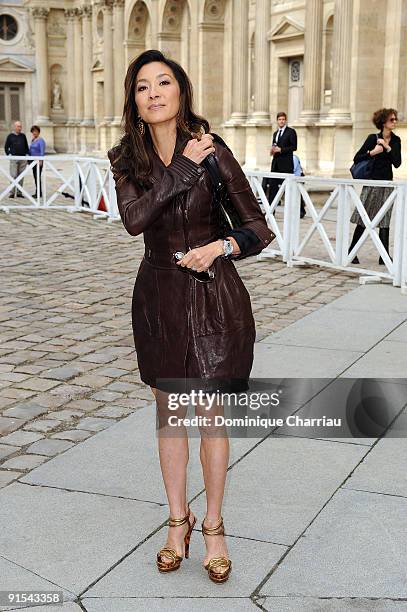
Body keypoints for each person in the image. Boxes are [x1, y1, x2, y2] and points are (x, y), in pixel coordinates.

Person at [108, 49, 273, 584]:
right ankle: (178, 521)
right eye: (141, 86)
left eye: (164, 82)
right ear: (133, 101)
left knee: (210, 416)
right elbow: (135, 219)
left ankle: (216, 526)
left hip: (211, 296)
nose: (153, 92)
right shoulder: (126, 159)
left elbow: (257, 226)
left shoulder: (213, 149)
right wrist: (181, 170)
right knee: (170, 416)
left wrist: (221, 245)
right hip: (157, 296)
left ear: (181, 91)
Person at [349, 108, 401, 265]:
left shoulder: (396, 140)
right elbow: (357, 158)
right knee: (363, 218)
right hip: (372, 183)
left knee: (384, 221)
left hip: (387, 183)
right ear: (383, 122)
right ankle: (352, 251)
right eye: (392, 120)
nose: (394, 122)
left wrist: (387, 147)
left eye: (395, 119)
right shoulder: (372, 138)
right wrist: (373, 152)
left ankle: (383, 256)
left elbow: (397, 163)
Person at [268, 111, 297, 206]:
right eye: (280, 119)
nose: (281, 121)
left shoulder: (291, 132)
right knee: (272, 188)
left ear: (285, 121)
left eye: (283, 119)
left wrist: (281, 149)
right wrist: (272, 151)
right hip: (275, 165)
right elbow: (274, 146)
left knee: (290, 189)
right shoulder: (275, 133)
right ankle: (271, 210)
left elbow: (294, 147)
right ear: (277, 121)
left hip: (286, 165)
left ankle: (300, 209)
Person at [4, 120, 29, 198]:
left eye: (20, 126)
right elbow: (6, 147)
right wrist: (9, 155)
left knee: (21, 176)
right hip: (14, 158)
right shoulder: (10, 136)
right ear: (15, 127)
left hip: (23, 158)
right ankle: (12, 192)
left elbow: (26, 146)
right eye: (18, 126)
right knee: (13, 175)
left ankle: (19, 192)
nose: (20, 128)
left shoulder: (23, 136)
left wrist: (27, 156)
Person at [29, 125, 46, 198]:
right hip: (33, 161)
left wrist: (41, 161)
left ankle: (39, 193)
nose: (34, 133)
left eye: (35, 131)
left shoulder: (41, 140)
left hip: (38, 161)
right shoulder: (33, 140)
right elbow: (30, 150)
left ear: (38, 132)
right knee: (35, 177)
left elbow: (42, 151)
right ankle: (38, 192)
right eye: (33, 131)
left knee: (37, 176)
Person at [293, 153, 306, 218]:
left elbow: (293, 168)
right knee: (295, 196)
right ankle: (299, 210)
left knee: (298, 195)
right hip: (294, 179)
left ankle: (302, 211)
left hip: (297, 178)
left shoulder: (294, 157)